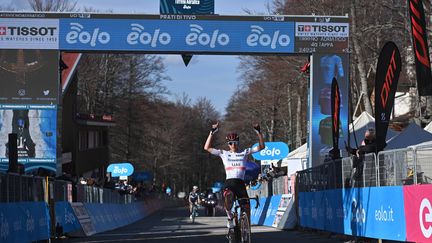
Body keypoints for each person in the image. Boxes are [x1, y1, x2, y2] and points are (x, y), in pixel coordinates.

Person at [204, 121, 265, 229]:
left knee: (246, 207)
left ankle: (245, 229)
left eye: (235, 143)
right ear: (228, 144)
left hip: (240, 183)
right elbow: (207, 148)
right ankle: (229, 217)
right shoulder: (224, 153)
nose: (233, 145)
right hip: (230, 183)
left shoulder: (245, 152)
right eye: (231, 143)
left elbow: (261, 147)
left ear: (238, 143)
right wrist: (212, 132)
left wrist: (259, 132)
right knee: (228, 197)